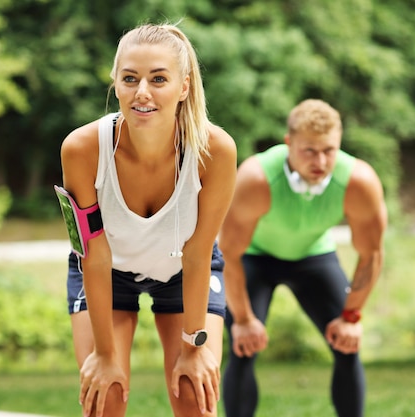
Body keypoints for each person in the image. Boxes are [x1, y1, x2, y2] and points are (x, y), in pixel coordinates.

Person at [58, 23, 237, 417]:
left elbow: (198, 252)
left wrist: (193, 349)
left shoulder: (215, 150)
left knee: (196, 395)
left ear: (184, 86)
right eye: (130, 79)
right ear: (116, 84)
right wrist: (105, 355)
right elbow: (94, 255)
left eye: (158, 79)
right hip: (107, 272)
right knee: (105, 398)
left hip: (183, 272)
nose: (142, 92)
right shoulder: (82, 149)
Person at [219, 99, 387, 417]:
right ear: (288, 144)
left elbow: (371, 254)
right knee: (243, 348)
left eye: (329, 150)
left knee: (347, 346)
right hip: (254, 259)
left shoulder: (358, 182)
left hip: (314, 256)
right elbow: (229, 253)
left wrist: (351, 318)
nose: (320, 161)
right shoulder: (256, 178)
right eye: (309, 150)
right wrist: (242, 320)